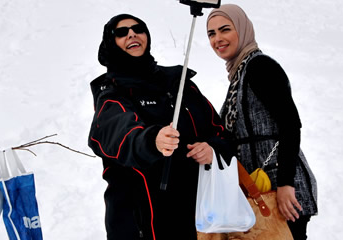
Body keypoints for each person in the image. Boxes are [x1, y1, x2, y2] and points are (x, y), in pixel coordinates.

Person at [88, 13, 234, 240]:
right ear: (111, 42)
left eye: (138, 29)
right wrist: (151, 140)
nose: (131, 34)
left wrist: (212, 149)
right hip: (142, 222)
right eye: (121, 32)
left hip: (198, 218)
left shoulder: (177, 81)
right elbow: (116, 132)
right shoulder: (111, 93)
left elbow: (219, 131)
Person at [206, 4, 318, 239]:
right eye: (211, 33)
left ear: (243, 30)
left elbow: (290, 125)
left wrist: (286, 184)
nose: (218, 39)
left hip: (280, 189)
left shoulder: (260, 67)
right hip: (260, 189)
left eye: (225, 30)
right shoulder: (239, 73)